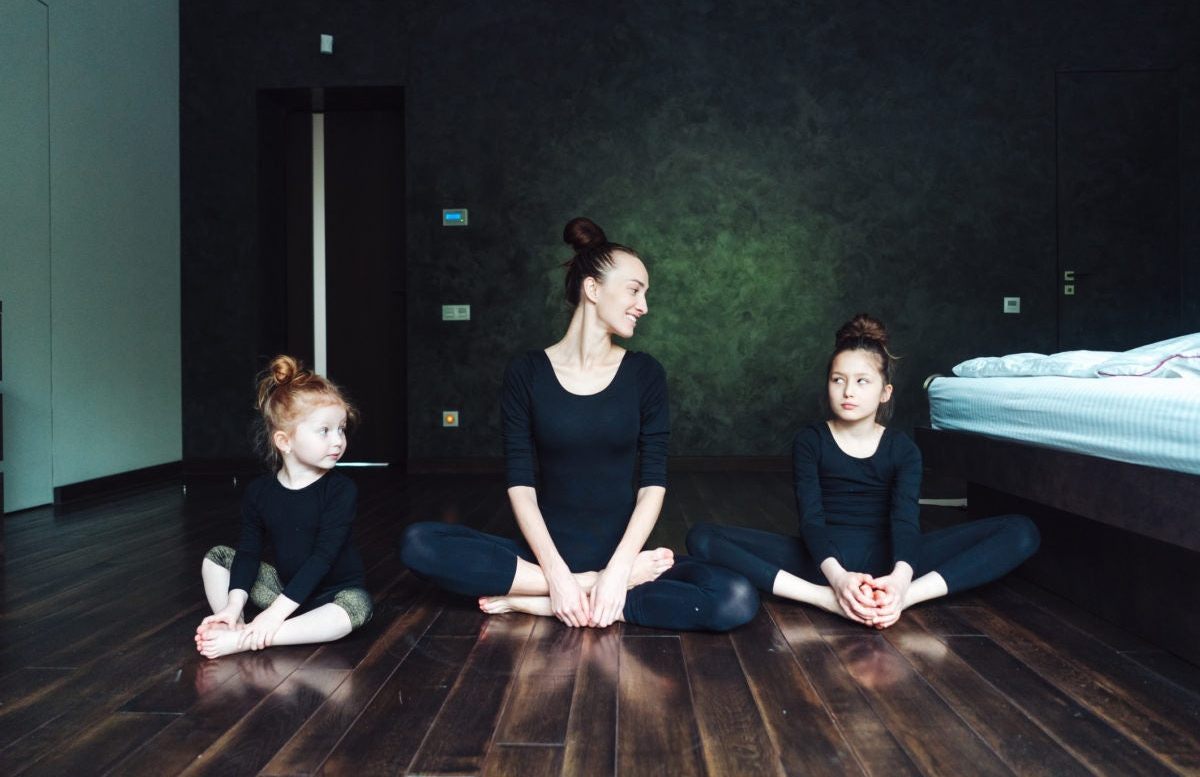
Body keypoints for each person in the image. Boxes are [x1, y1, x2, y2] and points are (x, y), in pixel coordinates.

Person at [399, 217, 757, 631]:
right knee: (418, 543)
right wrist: (561, 575)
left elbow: (653, 483)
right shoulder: (527, 372)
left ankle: (552, 602)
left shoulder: (645, 373)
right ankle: (578, 590)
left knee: (736, 597)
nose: (644, 305)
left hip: (623, 555)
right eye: (634, 290)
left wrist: (620, 569)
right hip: (546, 553)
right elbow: (520, 485)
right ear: (592, 289)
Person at [687, 314, 1040, 628]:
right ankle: (823, 599)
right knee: (702, 537)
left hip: (890, 560)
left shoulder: (903, 450)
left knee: (1021, 531)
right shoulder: (811, 441)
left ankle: (904, 599)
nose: (847, 392)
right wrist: (837, 583)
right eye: (838, 380)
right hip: (820, 563)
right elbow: (812, 520)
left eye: (861, 381)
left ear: (885, 392)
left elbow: (904, 523)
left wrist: (900, 585)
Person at [194, 355, 373, 658]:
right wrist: (233, 605)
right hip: (284, 587)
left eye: (341, 429)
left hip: (332, 595)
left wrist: (274, 615)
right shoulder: (260, 492)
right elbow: (249, 552)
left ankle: (248, 639)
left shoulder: (341, 490)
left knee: (358, 607)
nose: (338, 440)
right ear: (284, 441)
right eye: (324, 430)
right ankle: (233, 625)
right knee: (217, 558)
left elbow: (322, 558)